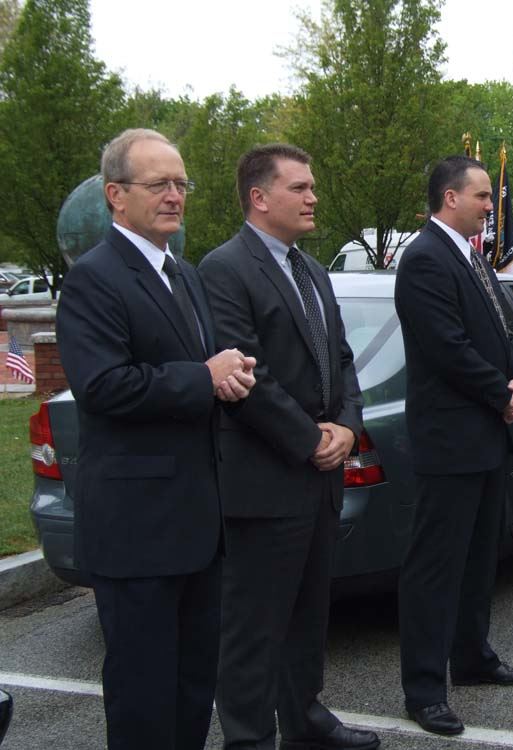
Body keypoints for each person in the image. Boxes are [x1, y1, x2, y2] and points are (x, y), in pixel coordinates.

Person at [56, 128, 257, 750]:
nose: (175, 196)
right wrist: (203, 377)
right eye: (158, 184)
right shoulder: (93, 279)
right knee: (144, 696)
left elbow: (196, 371)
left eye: (181, 183)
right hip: (136, 531)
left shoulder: (184, 275)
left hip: (196, 525)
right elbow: (103, 386)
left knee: (194, 688)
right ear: (115, 195)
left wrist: (228, 377)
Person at [199, 144, 378, 750]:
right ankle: (250, 738)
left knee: (308, 615)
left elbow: (342, 358)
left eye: (312, 186)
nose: (312, 197)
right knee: (254, 627)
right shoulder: (225, 269)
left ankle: (305, 720)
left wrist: (348, 426)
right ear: (259, 197)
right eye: (299, 188)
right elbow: (245, 375)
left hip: (319, 477)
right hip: (265, 480)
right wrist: (310, 441)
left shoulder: (311, 269)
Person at [394, 156, 513, 736]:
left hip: (486, 436)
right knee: (436, 569)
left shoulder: (471, 255)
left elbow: (503, 330)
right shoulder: (425, 258)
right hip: (451, 440)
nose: (489, 206)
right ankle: (425, 690)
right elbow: (445, 346)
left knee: (479, 560)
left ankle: (472, 658)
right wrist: (501, 392)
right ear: (450, 198)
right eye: (481, 196)